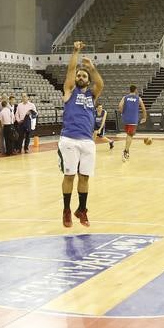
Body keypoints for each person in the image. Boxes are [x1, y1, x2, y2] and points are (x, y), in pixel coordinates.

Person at [59, 40, 103, 228]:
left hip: (87, 141)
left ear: (87, 79)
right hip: (69, 138)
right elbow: (70, 71)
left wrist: (91, 68)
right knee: (69, 176)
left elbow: (100, 84)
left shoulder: (92, 95)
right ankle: (67, 210)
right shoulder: (70, 91)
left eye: (84, 75)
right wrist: (75, 52)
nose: (81, 76)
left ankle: (82, 209)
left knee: (84, 177)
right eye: (79, 75)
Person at [118, 84, 147, 161]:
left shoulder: (125, 97)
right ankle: (126, 151)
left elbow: (120, 106)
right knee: (130, 135)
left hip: (125, 119)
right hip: (133, 120)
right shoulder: (138, 98)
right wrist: (144, 117)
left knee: (128, 135)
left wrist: (122, 113)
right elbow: (144, 109)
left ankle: (127, 151)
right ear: (136, 90)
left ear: (129, 90)